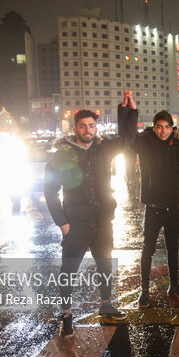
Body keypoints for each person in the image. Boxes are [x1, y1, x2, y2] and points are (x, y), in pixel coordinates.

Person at [44, 90, 137, 338]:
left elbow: (128, 136)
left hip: (102, 221)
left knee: (104, 265)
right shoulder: (62, 155)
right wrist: (62, 223)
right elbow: (50, 191)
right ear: (75, 128)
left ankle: (106, 305)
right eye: (83, 126)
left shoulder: (102, 149)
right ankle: (66, 314)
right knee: (69, 271)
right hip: (76, 224)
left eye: (92, 126)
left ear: (96, 128)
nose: (88, 130)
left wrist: (129, 109)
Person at [128, 110, 179, 308]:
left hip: (172, 208)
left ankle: (173, 285)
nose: (164, 131)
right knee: (148, 249)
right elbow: (128, 134)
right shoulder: (145, 143)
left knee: (173, 248)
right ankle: (144, 290)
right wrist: (130, 112)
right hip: (153, 208)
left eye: (167, 127)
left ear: (172, 129)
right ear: (154, 128)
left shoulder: (176, 145)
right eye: (160, 127)